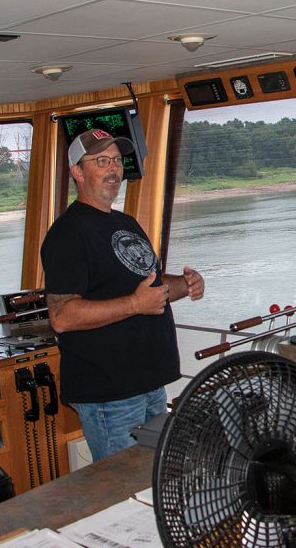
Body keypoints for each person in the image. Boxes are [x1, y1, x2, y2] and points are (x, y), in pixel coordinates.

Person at [41, 128, 204, 461]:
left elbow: (150, 287)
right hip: (109, 394)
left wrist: (184, 285)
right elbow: (62, 317)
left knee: (155, 478)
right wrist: (134, 304)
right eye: (101, 161)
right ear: (77, 172)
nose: (114, 169)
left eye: (116, 160)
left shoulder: (125, 222)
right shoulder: (68, 234)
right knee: (124, 491)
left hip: (148, 385)